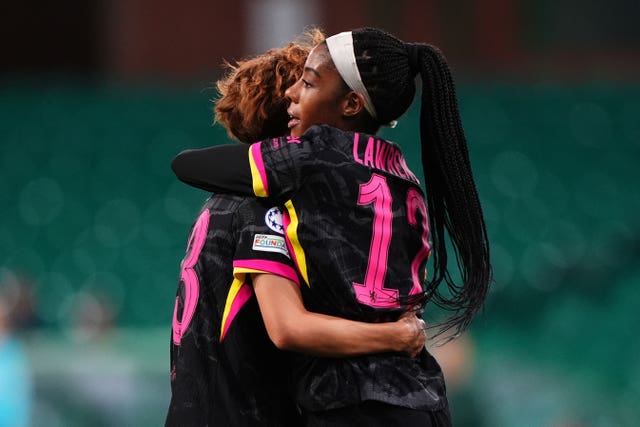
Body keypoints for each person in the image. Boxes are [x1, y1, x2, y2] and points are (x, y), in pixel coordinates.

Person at [172, 27, 493, 426]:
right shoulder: (405, 179)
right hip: (423, 399)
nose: (294, 95)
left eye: (306, 84)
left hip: (342, 405)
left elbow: (287, 327)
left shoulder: (267, 198)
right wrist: (395, 336)